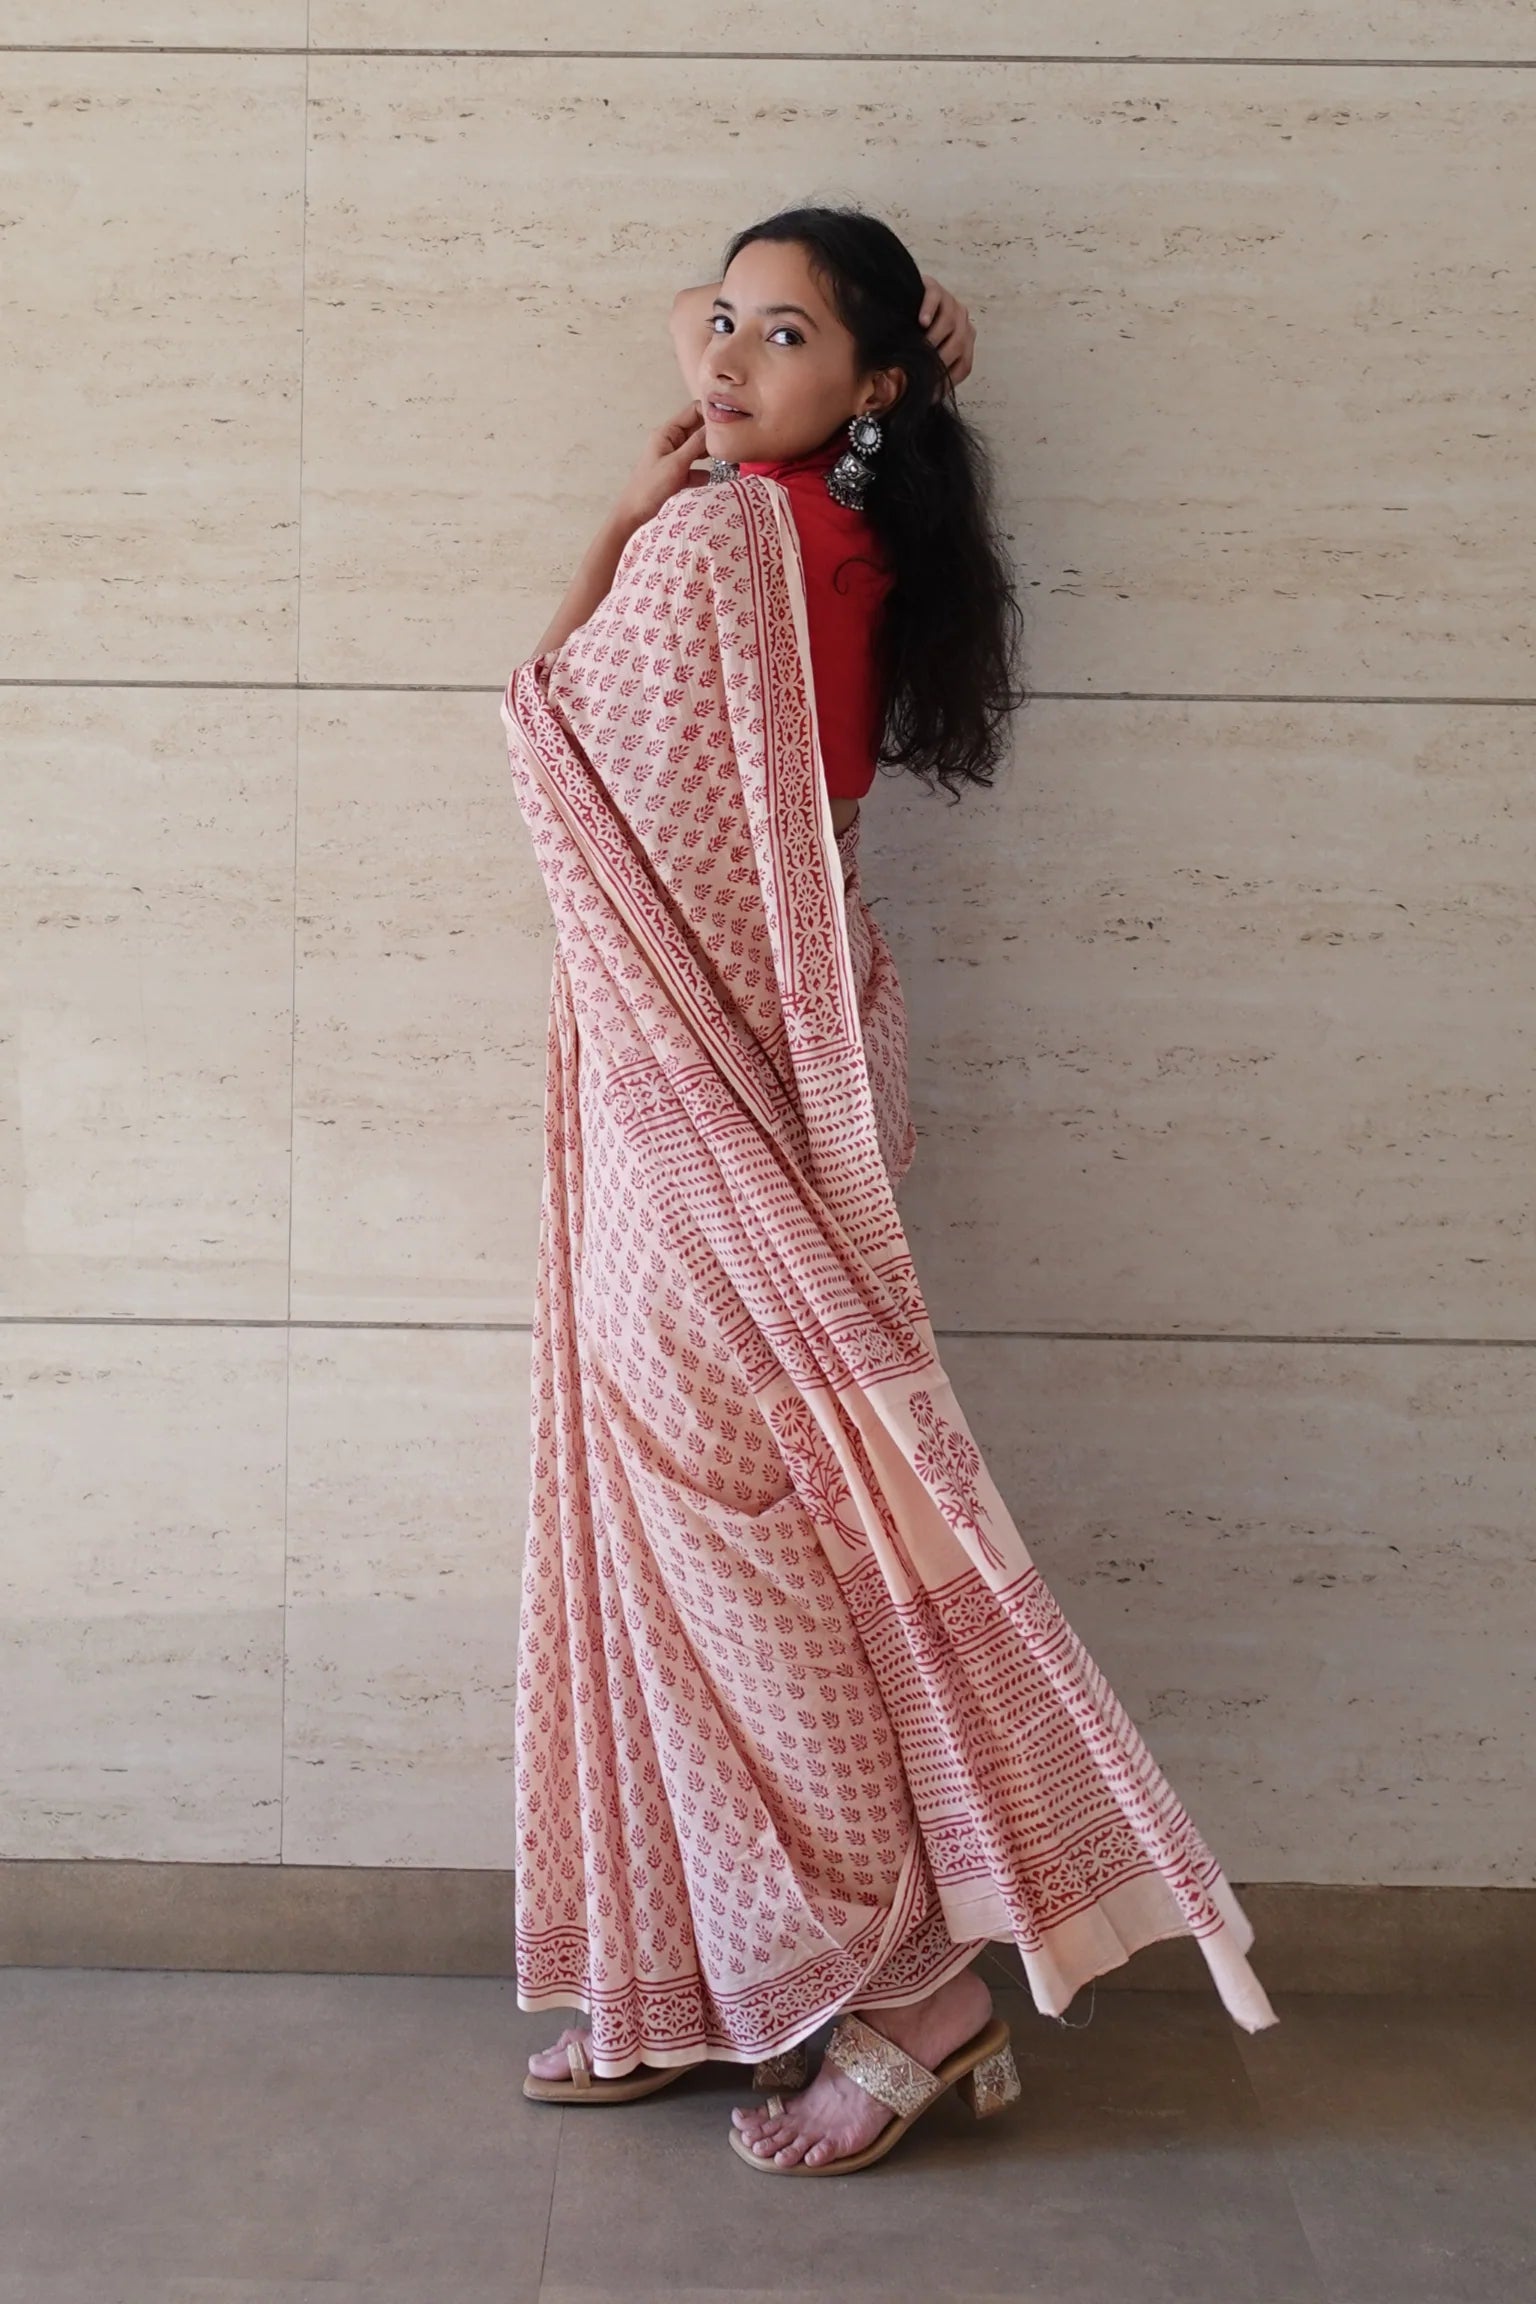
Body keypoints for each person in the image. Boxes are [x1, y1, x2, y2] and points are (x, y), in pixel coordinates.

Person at [500, 204, 1277, 2178]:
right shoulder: (835, 531)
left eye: (779, 336)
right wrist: (858, 361)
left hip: (698, 1110)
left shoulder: (723, 546)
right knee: (710, 1542)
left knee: (738, 1557)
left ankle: (915, 1994)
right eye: (723, 322)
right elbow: (727, 339)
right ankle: (721, 1981)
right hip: (755, 1074)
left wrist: (620, 521)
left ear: (869, 379)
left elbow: (551, 730)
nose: (718, 357)